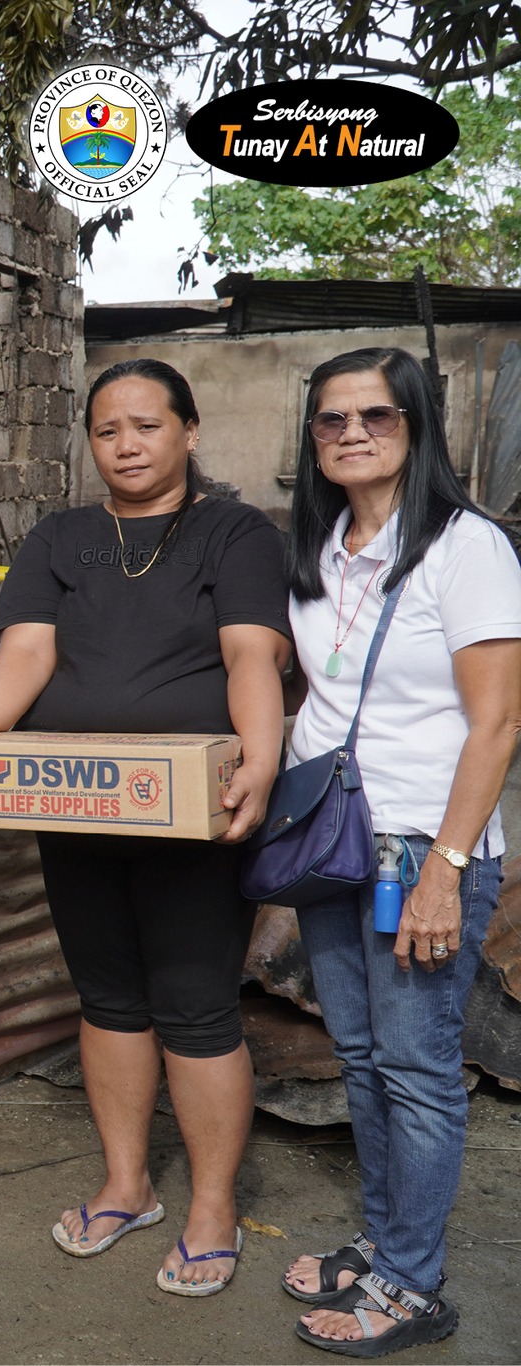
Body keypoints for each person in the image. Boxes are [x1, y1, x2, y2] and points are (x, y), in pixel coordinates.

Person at [0, 358, 290, 1295]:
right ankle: (126, 1182)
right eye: (108, 430)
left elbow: (250, 655)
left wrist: (258, 764)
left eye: (147, 425)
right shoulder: (62, 535)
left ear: (188, 432)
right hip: (77, 805)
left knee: (195, 1006)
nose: (127, 444)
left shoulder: (235, 533)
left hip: (193, 817)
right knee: (106, 999)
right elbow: (27, 647)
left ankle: (212, 1206)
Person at [273, 347, 521, 1356]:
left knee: (416, 1069)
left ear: (416, 425)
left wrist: (444, 870)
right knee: (362, 1056)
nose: (349, 433)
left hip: (421, 843)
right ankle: (383, 1245)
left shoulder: (465, 549)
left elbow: (496, 723)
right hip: (332, 845)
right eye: (329, 420)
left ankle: (413, 1286)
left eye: (373, 415)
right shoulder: (321, 545)